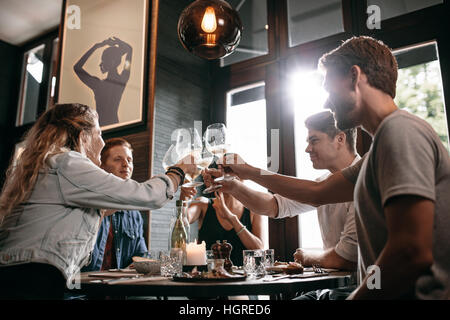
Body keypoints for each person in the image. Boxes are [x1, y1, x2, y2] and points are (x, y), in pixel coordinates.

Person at [209, 36, 450, 300]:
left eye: (328, 87)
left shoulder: (399, 130)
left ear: (353, 76)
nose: (326, 102)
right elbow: (317, 192)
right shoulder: (378, 151)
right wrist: (246, 173)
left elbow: (411, 250)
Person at [0, 103, 196, 300]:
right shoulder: (67, 163)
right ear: (83, 137)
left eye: (129, 159)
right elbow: (148, 196)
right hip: (38, 281)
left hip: (29, 277)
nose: (102, 143)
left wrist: (178, 264)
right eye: (99, 134)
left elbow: (141, 255)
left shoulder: (56, 169)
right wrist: (178, 171)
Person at [82, 138, 148, 272]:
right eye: (118, 159)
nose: (126, 164)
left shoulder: (134, 213)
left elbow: (141, 255)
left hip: (119, 289)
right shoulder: (87, 201)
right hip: (82, 289)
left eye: (129, 160)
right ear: (102, 166)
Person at [179, 184, 264, 267]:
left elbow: (259, 250)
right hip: (208, 277)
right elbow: (182, 221)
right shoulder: (203, 204)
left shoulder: (254, 210)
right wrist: (184, 195)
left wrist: (232, 218)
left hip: (242, 279)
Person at [74, 37, 132, 126]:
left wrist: (96, 47)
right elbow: (129, 50)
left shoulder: (98, 84)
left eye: (103, 60)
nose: (100, 64)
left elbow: (77, 67)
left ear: (112, 62)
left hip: (101, 126)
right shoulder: (123, 79)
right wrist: (120, 43)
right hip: (114, 124)